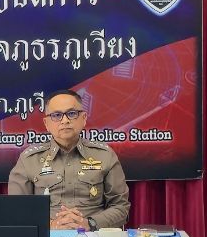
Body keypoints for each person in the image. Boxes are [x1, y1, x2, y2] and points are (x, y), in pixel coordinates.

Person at [7, 89, 130, 229]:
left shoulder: (104, 155)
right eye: (57, 115)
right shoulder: (29, 160)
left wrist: (89, 223)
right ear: (46, 123)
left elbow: (120, 207)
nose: (65, 120)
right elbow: (17, 210)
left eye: (71, 114)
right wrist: (52, 226)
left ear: (83, 118)